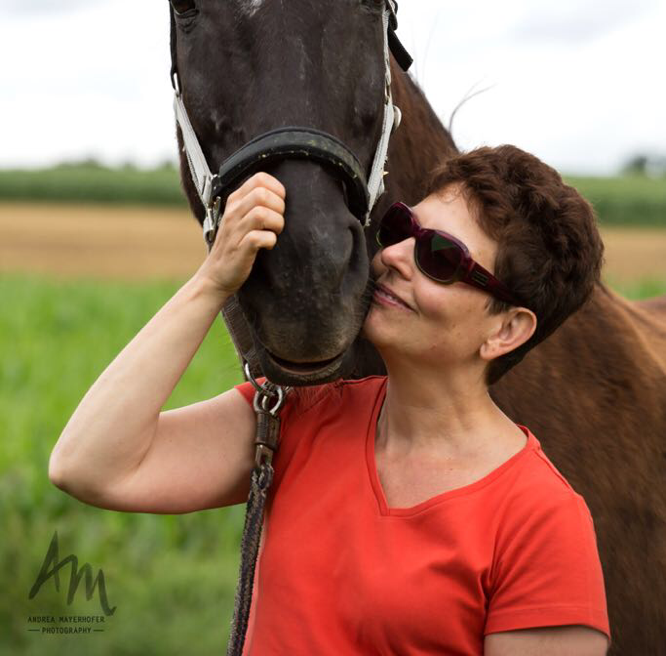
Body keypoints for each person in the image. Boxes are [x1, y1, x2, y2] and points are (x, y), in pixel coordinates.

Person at [49, 144, 611, 655]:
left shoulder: (542, 523)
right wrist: (213, 280)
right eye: (402, 228)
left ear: (507, 330)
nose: (394, 256)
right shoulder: (298, 418)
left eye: (439, 256)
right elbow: (90, 465)